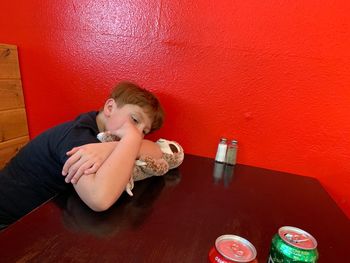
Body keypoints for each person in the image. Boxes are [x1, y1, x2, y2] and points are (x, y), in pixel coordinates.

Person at [0, 81, 165, 229]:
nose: (137, 133)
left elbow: (158, 152)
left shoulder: (101, 131)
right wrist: (130, 140)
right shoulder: (77, 137)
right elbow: (100, 198)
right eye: (135, 120)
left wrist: (111, 147)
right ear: (110, 108)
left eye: (144, 132)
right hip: (8, 221)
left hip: (43, 213)